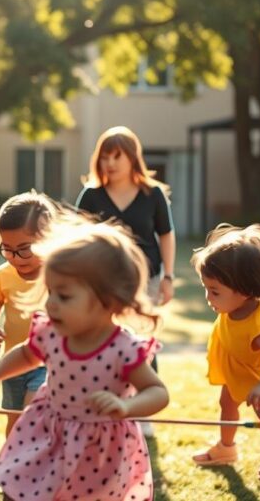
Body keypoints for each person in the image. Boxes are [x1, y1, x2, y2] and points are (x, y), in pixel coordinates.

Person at [0, 219, 169, 501]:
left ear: (108, 300)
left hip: (98, 450)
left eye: (63, 296)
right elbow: (27, 354)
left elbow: (157, 392)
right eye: (50, 292)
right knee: (20, 490)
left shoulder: (122, 349)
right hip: (48, 431)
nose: (50, 304)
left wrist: (126, 406)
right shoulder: (52, 332)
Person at [75, 126, 175, 437]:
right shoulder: (91, 195)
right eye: (105, 157)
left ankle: (143, 415)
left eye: (117, 156)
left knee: (142, 344)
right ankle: (107, 405)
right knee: (106, 342)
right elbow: (78, 238)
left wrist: (168, 277)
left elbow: (166, 235)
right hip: (103, 282)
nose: (110, 163)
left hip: (146, 280)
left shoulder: (153, 194)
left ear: (132, 158)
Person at [189, 224, 260, 481]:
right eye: (206, 288)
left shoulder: (258, 324)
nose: (208, 297)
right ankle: (226, 448)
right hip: (236, 370)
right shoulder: (232, 308)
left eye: (214, 291)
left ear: (245, 290)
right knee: (226, 404)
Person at [0, 191, 57, 435]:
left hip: (48, 361)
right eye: (8, 249)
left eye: (24, 249)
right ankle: (12, 456)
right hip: (13, 363)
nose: (16, 258)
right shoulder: (4, 274)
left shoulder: (58, 274)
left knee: (32, 415)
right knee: (14, 423)